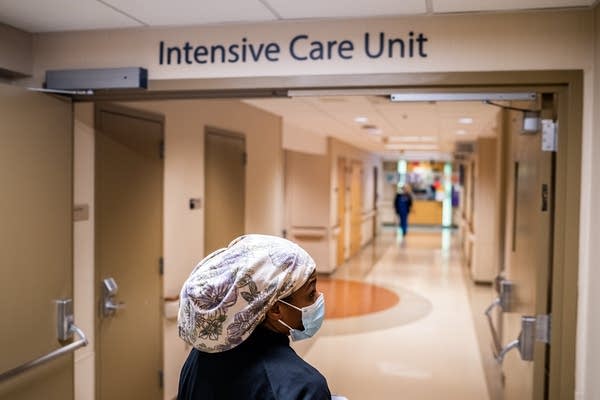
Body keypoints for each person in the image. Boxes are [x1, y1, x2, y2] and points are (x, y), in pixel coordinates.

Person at [177, 234, 331, 400]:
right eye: (311, 293)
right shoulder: (304, 388)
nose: (318, 298)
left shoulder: (199, 358)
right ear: (276, 309)